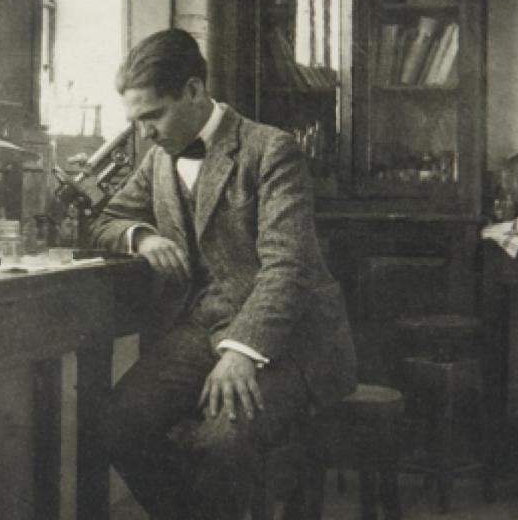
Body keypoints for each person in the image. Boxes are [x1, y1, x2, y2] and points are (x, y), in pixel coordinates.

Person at [90, 28, 357, 519]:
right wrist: (143, 237)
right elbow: (108, 219)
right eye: (136, 120)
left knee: (221, 443)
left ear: (194, 90)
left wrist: (242, 351)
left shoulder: (271, 150)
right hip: (202, 328)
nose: (144, 132)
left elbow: (287, 267)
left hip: (290, 339)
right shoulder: (158, 158)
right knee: (116, 423)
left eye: (153, 116)